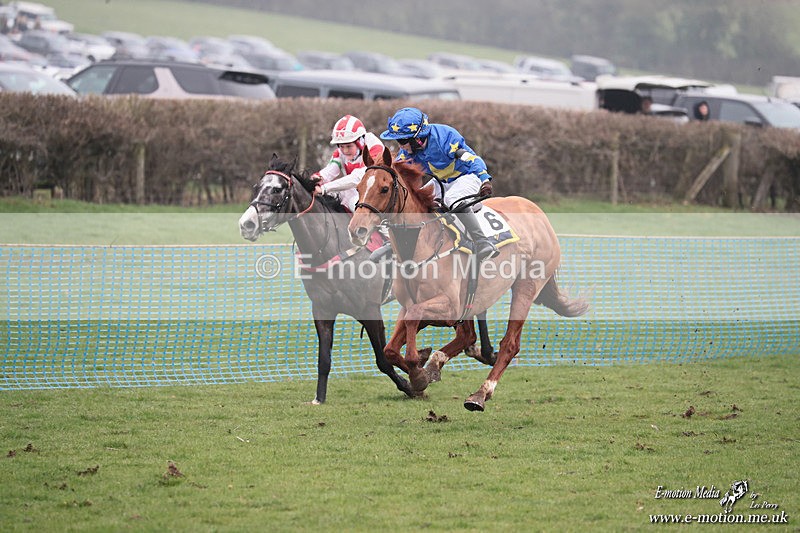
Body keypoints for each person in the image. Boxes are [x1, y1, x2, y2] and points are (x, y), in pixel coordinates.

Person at [376, 106, 498, 262]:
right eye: (397, 140)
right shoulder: (408, 150)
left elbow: (472, 158)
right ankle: (392, 245)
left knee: (452, 199)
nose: (400, 145)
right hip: (442, 181)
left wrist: (484, 180)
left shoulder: (445, 137)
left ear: (418, 138)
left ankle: (482, 242)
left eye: (403, 140)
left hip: (467, 176)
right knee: (415, 202)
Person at [312, 115, 384, 212]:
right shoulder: (340, 152)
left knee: (352, 201)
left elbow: (360, 177)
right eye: (341, 146)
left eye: (349, 146)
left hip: (375, 194)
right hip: (354, 191)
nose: (345, 151)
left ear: (360, 142)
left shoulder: (375, 147)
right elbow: (330, 170)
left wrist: (324, 188)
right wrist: (317, 179)